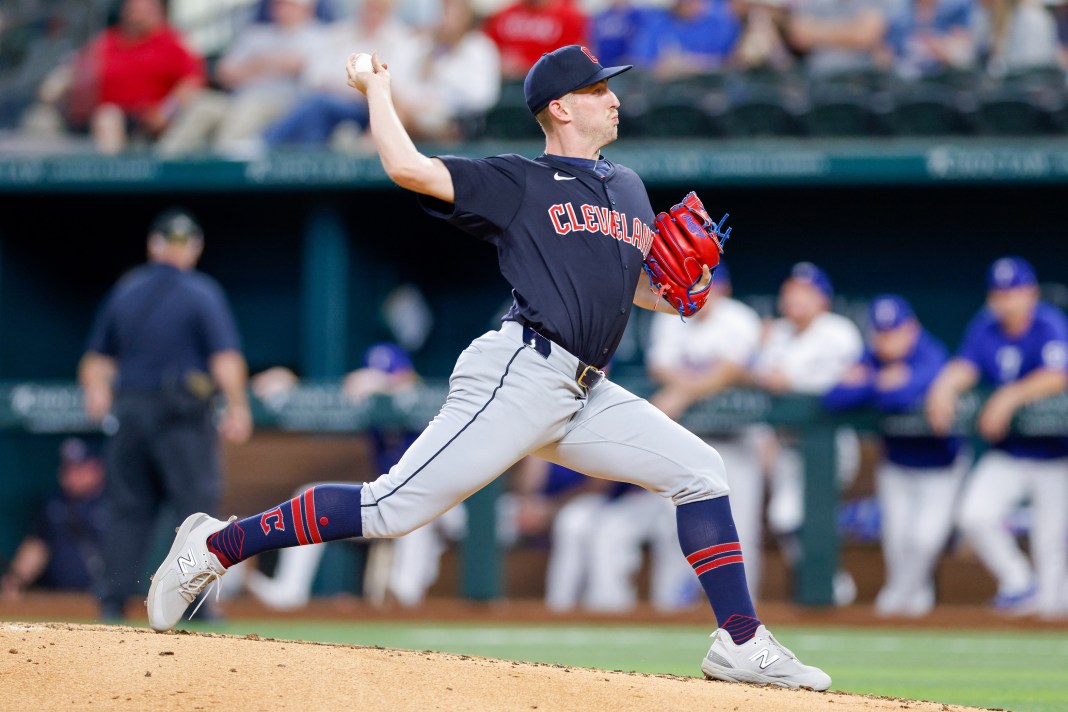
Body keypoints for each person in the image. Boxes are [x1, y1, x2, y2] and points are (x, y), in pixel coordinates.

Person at [146, 44, 831, 691]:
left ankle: (740, 641)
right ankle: (215, 545)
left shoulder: (626, 185)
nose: (614, 99)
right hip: (521, 370)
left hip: (585, 389)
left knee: (701, 472)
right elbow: (408, 168)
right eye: (599, 89)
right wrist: (378, 91)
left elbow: (632, 285)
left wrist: (677, 292)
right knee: (390, 508)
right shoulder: (516, 180)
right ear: (561, 106)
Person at [79, 208, 252, 621]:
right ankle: (194, 602)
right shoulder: (201, 291)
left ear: (153, 246)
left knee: (127, 506)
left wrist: (98, 392)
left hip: (131, 409)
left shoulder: (126, 290)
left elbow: (95, 361)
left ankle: (112, 598)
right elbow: (225, 357)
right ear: (193, 248)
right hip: (181, 415)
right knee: (194, 508)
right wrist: (239, 406)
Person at [926, 256, 1068, 617]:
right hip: (1010, 450)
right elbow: (965, 366)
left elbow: (1057, 375)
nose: (1008, 300)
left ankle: (1050, 618)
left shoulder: (1049, 323)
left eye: (1015, 291)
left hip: (1056, 453)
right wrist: (943, 387)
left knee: (1051, 544)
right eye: (1001, 293)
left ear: (1031, 293)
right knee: (974, 515)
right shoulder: (986, 326)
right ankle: (1019, 582)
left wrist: (1008, 396)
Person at [824, 295, 966, 617]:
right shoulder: (873, 358)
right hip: (898, 464)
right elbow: (834, 397)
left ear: (912, 328)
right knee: (897, 539)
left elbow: (906, 394)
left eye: (896, 330)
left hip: (941, 464)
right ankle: (907, 599)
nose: (889, 340)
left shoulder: (931, 351)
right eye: (883, 333)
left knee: (925, 539)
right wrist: (880, 382)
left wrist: (872, 385)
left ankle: (905, 595)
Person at [645, 263, 766, 601]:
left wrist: (683, 392)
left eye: (706, 286)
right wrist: (693, 386)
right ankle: (668, 612)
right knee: (670, 529)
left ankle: (745, 619)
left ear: (723, 288)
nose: (700, 293)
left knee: (740, 531)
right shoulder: (671, 315)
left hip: (737, 441)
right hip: (685, 439)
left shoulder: (739, 318)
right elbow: (659, 366)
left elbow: (733, 368)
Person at [748, 261, 864, 606]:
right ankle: (831, 581)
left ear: (822, 299)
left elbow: (848, 381)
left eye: (805, 291)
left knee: (812, 514)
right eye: (791, 290)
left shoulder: (838, 331)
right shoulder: (778, 333)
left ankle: (829, 585)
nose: (795, 297)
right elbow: (762, 377)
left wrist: (791, 380)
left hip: (828, 441)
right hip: (787, 445)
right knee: (784, 519)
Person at [30, 0, 205, 153]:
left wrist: (166, 113)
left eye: (143, 9)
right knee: (40, 119)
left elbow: (191, 83)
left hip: (145, 120)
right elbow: (74, 67)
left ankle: (116, 184)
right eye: (133, 9)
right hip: (95, 115)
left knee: (108, 117)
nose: (136, 14)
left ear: (157, 12)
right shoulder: (106, 41)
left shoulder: (172, 42)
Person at [155, 0, 327, 156]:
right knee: (203, 105)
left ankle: (221, 172)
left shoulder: (318, 36)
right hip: (237, 99)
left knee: (247, 110)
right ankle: (161, 165)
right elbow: (224, 73)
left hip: (282, 105)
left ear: (307, 8)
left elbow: (300, 68)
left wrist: (252, 67)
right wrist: (268, 64)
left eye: (289, 4)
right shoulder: (255, 34)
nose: (281, 8)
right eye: (279, 4)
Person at [1, 438, 106, 599]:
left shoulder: (116, 504)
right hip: (60, 596)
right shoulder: (54, 505)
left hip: (104, 595)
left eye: (80, 468)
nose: (72, 475)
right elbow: (38, 546)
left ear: (97, 469)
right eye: (68, 468)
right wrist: (16, 580)